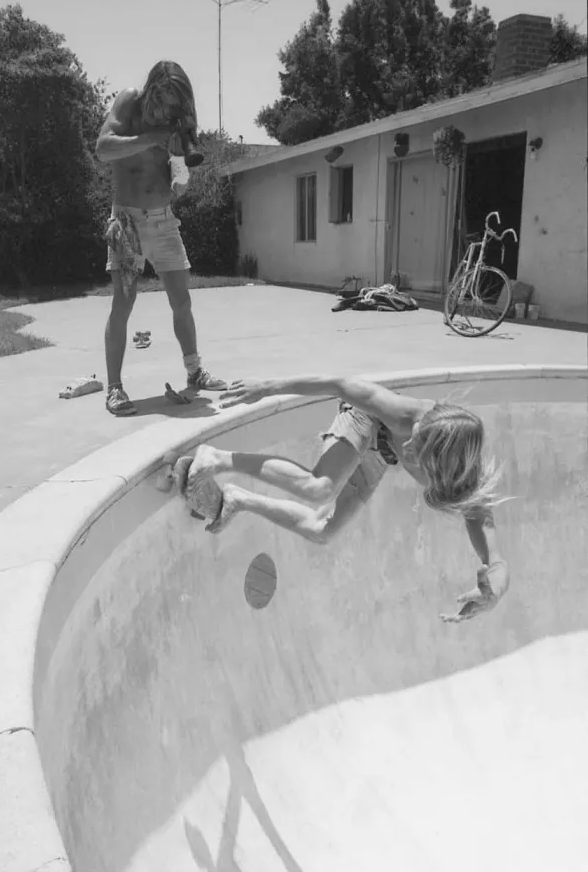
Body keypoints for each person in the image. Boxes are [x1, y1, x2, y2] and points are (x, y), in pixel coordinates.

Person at [184, 374, 510, 623]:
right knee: (319, 487)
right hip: (364, 418)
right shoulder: (402, 415)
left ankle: (238, 500)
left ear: (442, 463)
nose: (408, 447)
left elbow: (496, 559)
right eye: (412, 438)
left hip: (381, 452)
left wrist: (493, 592)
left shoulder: (464, 481)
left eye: (417, 449)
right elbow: (340, 384)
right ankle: (217, 458)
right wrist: (269, 387)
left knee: (323, 530)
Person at [95, 60, 227, 416]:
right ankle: (115, 389)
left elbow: (179, 184)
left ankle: (194, 372)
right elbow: (103, 148)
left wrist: (181, 170)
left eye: (175, 105)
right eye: (164, 101)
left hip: (165, 220)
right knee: (123, 303)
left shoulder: (178, 124)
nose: (168, 111)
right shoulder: (129, 103)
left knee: (181, 300)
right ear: (151, 89)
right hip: (126, 221)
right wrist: (152, 139)